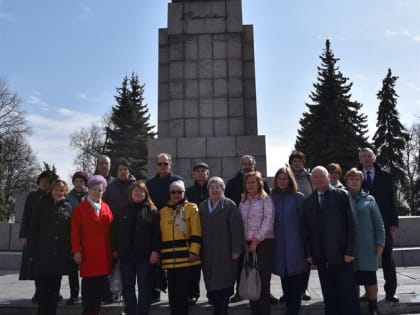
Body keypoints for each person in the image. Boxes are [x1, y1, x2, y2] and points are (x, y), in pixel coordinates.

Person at [303, 166, 360, 315]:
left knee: (347, 294)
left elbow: (352, 224)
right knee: (329, 295)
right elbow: (306, 231)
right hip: (321, 258)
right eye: (315, 178)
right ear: (312, 180)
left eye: (321, 176)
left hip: (342, 256)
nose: (318, 180)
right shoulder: (308, 202)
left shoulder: (342, 195)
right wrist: (309, 253)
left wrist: (349, 251)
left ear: (328, 177)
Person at [225, 155, 271, 303]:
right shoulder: (232, 183)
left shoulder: (263, 182)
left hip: (262, 237)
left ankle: (265, 293)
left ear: (254, 165)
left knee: (262, 268)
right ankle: (240, 290)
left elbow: (268, 212)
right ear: (240, 165)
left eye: (249, 164)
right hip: (243, 234)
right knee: (242, 264)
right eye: (244, 163)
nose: (246, 166)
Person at [111, 181, 160, 315]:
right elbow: (115, 232)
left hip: (145, 256)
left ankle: (143, 312)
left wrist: (155, 251)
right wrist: (115, 249)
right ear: (131, 194)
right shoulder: (122, 210)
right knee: (128, 286)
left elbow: (157, 233)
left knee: (145, 286)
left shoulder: (152, 211)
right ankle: (131, 311)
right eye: (136, 191)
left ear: (146, 194)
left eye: (141, 191)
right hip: (126, 255)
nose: (138, 193)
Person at [358, 147, 399, 303]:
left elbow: (392, 200)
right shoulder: (356, 176)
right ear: (360, 159)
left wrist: (394, 222)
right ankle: (368, 290)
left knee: (387, 258)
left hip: (384, 224)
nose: (367, 158)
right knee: (367, 259)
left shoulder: (385, 176)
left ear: (374, 157)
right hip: (364, 226)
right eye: (364, 156)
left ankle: (391, 291)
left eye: (369, 156)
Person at [26, 180, 72, 315]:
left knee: (54, 294)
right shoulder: (41, 204)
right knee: (42, 294)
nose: (58, 192)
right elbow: (33, 229)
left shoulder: (67, 207)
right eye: (56, 189)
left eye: (61, 190)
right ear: (51, 191)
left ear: (65, 192)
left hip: (58, 256)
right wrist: (31, 253)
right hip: (42, 255)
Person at [199, 176, 243, 315]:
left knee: (225, 281)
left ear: (223, 189)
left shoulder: (229, 205)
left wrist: (236, 249)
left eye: (218, 187)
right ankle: (216, 306)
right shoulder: (202, 206)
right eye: (212, 187)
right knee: (211, 279)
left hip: (226, 250)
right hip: (208, 251)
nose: (214, 190)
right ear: (208, 190)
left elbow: (236, 229)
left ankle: (222, 310)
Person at [71, 175, 114, 315]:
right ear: (88, 190)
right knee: (89, 292)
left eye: (100, 190)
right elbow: (75, 232)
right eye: (94, 189)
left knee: (99, 295)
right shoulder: (80, 209)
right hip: (88, 255)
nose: (97, 192)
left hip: (103, 255)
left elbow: (113, 230)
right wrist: (77, 250)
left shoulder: (106, 208)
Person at [345, 168, 385, 315]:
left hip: (367, 247)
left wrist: (380, 243)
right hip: (348, 248)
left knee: (369, 279)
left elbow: (379, 224)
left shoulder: (369, 199)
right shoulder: (342, 197)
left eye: (357, 179)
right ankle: (354, 307)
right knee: (352, 279)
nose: (354, 181)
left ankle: (373, 307)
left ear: (361, 181)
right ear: (347, 181)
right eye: (351, 179)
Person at [160, 180, 201, 315]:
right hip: (169, 258)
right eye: (173, 192)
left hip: (186, 257)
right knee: (172, 294)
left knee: (183, 294)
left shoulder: (191, 208)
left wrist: (194, 251)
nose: (176, 194)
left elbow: (196, 232)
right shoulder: (163, 211)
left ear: (184, 192)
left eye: (179, 192)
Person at [146, 152, 183, 302]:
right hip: (156, 223)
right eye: (160, 164)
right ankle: (155, 290)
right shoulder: (150, 183)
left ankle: (178, 292)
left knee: (175, 257)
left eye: (165, 163)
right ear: (156, 165)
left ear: (170, 164)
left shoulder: (177, 180)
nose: (163, 166)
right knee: (155, 258)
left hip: (174, 223)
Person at [18, 170, 57, 304]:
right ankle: (38, 292)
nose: (45, 185)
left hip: (49, 238)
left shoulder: (53, 196)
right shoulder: (32, 196)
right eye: (42, 182)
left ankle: (53, 293)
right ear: (39, 183)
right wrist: (23, 235)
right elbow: (26, 217)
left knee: (51, 267)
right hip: (34, 237)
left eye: (47, 182)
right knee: (35, 267)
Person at [271, 167, 306, 315]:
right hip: (279, 243)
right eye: (279, 178)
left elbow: (304, 222)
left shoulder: (298, 197)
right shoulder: (271, 198)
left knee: (296, 277)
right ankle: (289, 306)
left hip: (296, 243)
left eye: (285, 178)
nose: (282, 181)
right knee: (284, 275)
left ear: (290, 180)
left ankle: (294, 309)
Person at [239, 171, 274, 315]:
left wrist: (256, 241)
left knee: (263, 280)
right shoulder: (243, 201)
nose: (250, 185)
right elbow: (239, 223)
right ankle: (255, 310)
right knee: (251, 278)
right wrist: (244, 243)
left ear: (259, 183)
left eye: (253, 182)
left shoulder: (266, 200)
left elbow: (268, 221)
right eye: (248, 183)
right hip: (247, 244)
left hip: (264, 243)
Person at [288, 150, 314, 301]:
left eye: (299, 161)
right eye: (294, 161)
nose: (297, 163)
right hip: (290, 221)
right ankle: (289, 289)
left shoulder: (309, 178)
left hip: (307, 221)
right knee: (291, 255)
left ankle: (304, 288)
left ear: (304, 162)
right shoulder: (286, 175)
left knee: (306, 256)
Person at [186, 161, 210, 305]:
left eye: (203, 171)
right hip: (194, 234)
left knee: (211, 267)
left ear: (208, 173)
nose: (201, 173)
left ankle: (212, 293)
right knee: (193, 266)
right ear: (194, 174)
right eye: (198, 171)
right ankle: (193, 293)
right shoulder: (188, 191)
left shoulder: (213, 189)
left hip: (210, 233)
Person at [65, 171, 89, 305]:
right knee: (72, 267)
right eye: (76, 181)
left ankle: (86, 293)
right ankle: (74, 294)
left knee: (87, 267)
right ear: (73, 182)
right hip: (72, 234)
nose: (79, 183)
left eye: (81, 181)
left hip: (87, 235)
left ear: (85, 183)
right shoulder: (68, 197)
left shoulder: (90, 195)